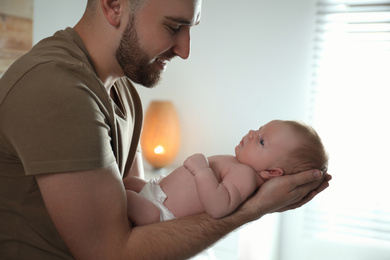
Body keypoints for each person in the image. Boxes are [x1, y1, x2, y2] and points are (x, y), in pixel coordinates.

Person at [0, 0, 331, 259]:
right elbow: (113, 253)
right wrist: (252, 210)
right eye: (175, 26)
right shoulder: (59, 91)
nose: (185, 50)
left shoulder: (124, 93)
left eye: (191, 29)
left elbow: (138, 205)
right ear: (114, 5)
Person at [126, 120, 329, 226]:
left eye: (261, 141)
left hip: (159, 213)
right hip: (156, 192)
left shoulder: (246, 177)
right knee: (131, 182)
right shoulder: (240, 166)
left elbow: (218, 206)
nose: (251, 133)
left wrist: (202, 170)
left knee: (121, 196)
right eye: (259, 129)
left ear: (272, 172)